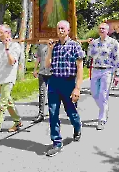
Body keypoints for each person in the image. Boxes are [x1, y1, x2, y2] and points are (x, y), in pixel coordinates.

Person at [44, 20, 84, 157]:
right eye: (58, 28)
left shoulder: (75, 46)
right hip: (54, 81)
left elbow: (80, 68)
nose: (60, 30)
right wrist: (49, 49)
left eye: (63, 28)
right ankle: (57, 142)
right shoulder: (54, 46)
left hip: (68, 83)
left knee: (71, 112)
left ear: (68, 30)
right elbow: (48, 65)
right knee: (53, 112)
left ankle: (77, 127)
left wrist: (77, 88)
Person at [87, 23, 119, 130]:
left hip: (107, 70)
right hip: (95, 70)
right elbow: (89, 55)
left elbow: (117, 58)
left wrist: (117, 74)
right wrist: (89, 44)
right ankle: (104, 109)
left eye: (103, 28)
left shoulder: (113, 42)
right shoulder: (95, 42)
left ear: (107, 31)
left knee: (103, 94)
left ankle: (101, 119)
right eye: (99, 28)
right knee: (94, 93)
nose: (101, 30)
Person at [32, 43, 52, 123]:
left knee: (52, 94)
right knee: (42, 93)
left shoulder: (55, 44)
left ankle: (53, 114)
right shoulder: (40, 45)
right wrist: (35, 69)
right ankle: (41, 114)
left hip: (52, 73)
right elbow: (38, 58)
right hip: (42, 72)